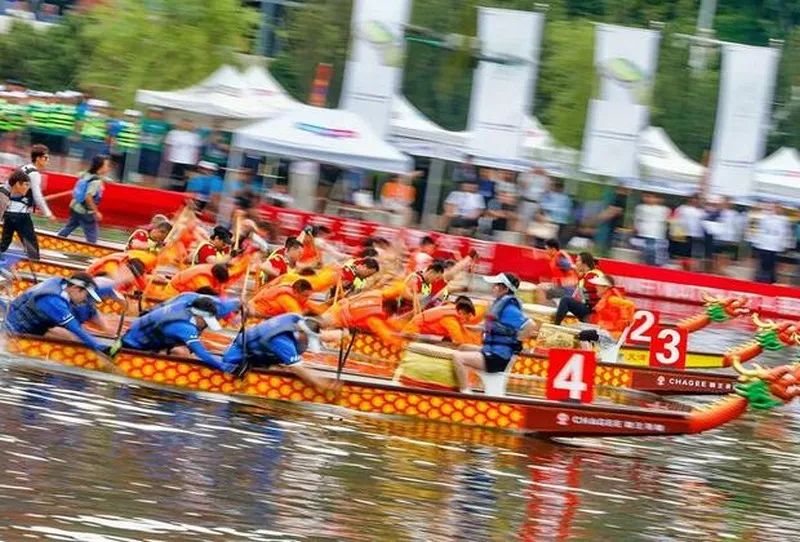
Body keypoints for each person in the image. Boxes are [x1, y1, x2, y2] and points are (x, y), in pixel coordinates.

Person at [451, 272, 536, 394]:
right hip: (492, 352)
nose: (493, 287)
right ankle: (467, 383)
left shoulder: (509, 309)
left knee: (457, 357)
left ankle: (465, 392)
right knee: (463, 348)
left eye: (496, 285)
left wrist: (517, 342)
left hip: (497, 359)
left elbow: (530, 325)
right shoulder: (500, 304)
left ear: (505, 289)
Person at [116, 297, 237, 373]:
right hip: (131, 346)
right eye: (206, 322)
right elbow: (202, 353)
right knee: (183, 353)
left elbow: (229, 303)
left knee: (184, 348)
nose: (206, 326)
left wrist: (239, 302)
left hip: (135, 335)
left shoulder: (185, 303)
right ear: (200, 316)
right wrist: (224, 368)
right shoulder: (185, 328)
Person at [222, 314, 344, 390]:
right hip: (236, 360)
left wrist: (340, 332)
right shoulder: (283, 341)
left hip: (256, 354)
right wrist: (323, 384)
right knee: (292, 367)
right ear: (302, 333)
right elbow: (299, 369)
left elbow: (315, 321)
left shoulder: (296, 319)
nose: (307, 343)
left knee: (285, 366)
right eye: (308, 339)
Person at [4, 272, 109, 354]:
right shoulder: (54, 302)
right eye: (86, 295)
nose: (86, 300)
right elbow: (76, 329)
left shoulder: (59, 281)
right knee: (72, 336)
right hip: (13, 334)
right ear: (75, 288)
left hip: (25, 324)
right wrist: (101, 348)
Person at [321, 290, 404, 347]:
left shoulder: (375, 294)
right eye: (390, 315)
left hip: (334, 310)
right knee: (336, 335)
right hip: (336, 327)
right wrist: (401, 344)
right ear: (387, 310)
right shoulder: (373, 319)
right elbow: (386, 336)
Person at [57, 155, 109, 244]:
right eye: (107, 166)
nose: (108, 168)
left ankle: (57, 240)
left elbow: (80, 178)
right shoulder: (96, 181)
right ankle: (93, 249)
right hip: (85, 212)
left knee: (69, 227)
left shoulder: (85, 174)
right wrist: (96, 212)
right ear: (100, 167)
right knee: (92, 235)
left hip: (74, 207)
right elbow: (88, 197)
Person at [402, 296, 480, 345]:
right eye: (468, 316)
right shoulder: (450, 319)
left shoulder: (451, 309)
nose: (468, 320)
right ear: (463, 312)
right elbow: (459, 341)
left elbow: (462, 332)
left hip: (415, 328)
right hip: (411, 331)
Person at [554, 252, 605, 325]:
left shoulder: (593, 275)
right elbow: (580, 295)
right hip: (588, 308)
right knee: (566, 301)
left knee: (565, 300)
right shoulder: (585, 276)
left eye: (577, 261)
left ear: (584, 263)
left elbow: (601, 294)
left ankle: (556, 325)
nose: (575, 263)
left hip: (593, 312)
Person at [0, 169, 40, 259]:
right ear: (18, 184)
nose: (28, 187)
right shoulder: (4, 195)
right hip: (21, 217)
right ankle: (35, 262)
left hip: (9, 215)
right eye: (26, 185)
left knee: (4, 243)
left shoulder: (6, 190)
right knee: (31, 246)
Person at [753, 202, 793, 284]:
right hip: (764, 243)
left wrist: (786, 245)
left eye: (778, 208)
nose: (776, 209)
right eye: (774, 207)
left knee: (772, 263)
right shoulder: (765, 217)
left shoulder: (784, 220)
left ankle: (770, 280)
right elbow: (760, 230)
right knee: (763, 262)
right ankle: (760, 279)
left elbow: (786, 233)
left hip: (776, 244)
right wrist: (757, 242)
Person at [249, 279, 321, 318]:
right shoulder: (286, 298)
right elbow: (297, 317)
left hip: (265, 317)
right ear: (295, 292)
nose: (307, 299)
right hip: (254, 318)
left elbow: (316, 308)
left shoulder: (298, 295)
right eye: (305, 296)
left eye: (308, 296)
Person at [535, 239, 578, 304]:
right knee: (541, 285)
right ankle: (550, 305)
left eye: (547, 249)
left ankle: (544, 307)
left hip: (566, 290)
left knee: (540, 289)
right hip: (561, 286)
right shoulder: (556, 257)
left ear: (553, 250)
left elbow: (573, 267)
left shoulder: (560, 260)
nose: (546, 251)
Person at [137, 107, 171, 186]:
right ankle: (143, 186)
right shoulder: (143, 121)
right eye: (153, 112)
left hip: (155, 151)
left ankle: (150, 187)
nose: (155, 114)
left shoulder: (165, 125)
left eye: (157, 113)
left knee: (152, 171)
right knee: (142, 171)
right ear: (149, 112)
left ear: (161, 114)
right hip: (142, 148)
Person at [164, 121, 202, 191]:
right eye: (184, 123)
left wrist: (197, 162)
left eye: (189, 124)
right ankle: (172, 191)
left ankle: (183, 192)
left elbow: (197, 150)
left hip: (189, 162)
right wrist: (167, 158)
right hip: (175, 160)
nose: (186, 125)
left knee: (186, 180)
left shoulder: (196, 136)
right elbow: (168, 146)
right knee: (174, 179)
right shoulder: (173, 133)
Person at [634, 192, 670, 266]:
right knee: (642, 254)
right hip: (642, 233)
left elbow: (667, 221)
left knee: (653, 254)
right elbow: (636, 220)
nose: (650, 199)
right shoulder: (640, 207)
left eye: (653, 197)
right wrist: (636, 228)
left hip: (656, 235)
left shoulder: (664, 209)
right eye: (647, 196)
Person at [162, 262, 232, 298]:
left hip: (185, 293)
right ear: (216, 277)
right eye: (219, 281)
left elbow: (220, 289)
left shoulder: (215, 269)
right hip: (174, 293)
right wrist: (221, 299)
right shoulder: (202, 277)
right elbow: (207, 292)